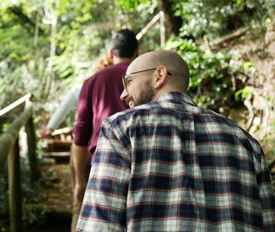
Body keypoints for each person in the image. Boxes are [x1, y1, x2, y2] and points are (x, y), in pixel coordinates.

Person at [76, 50, 275, 232]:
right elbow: (268, 222)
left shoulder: (121, 129)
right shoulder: (246, 141)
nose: (123, 94)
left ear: (159, 76)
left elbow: (99, 225)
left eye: (128, 82)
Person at [72, 29, 139, 231]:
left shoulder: (92, 81)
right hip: (144, 160)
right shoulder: (145, 78)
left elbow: (81, 135)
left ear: (111, 53)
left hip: (104, 164)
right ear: (137, 52)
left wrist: (79, 181)